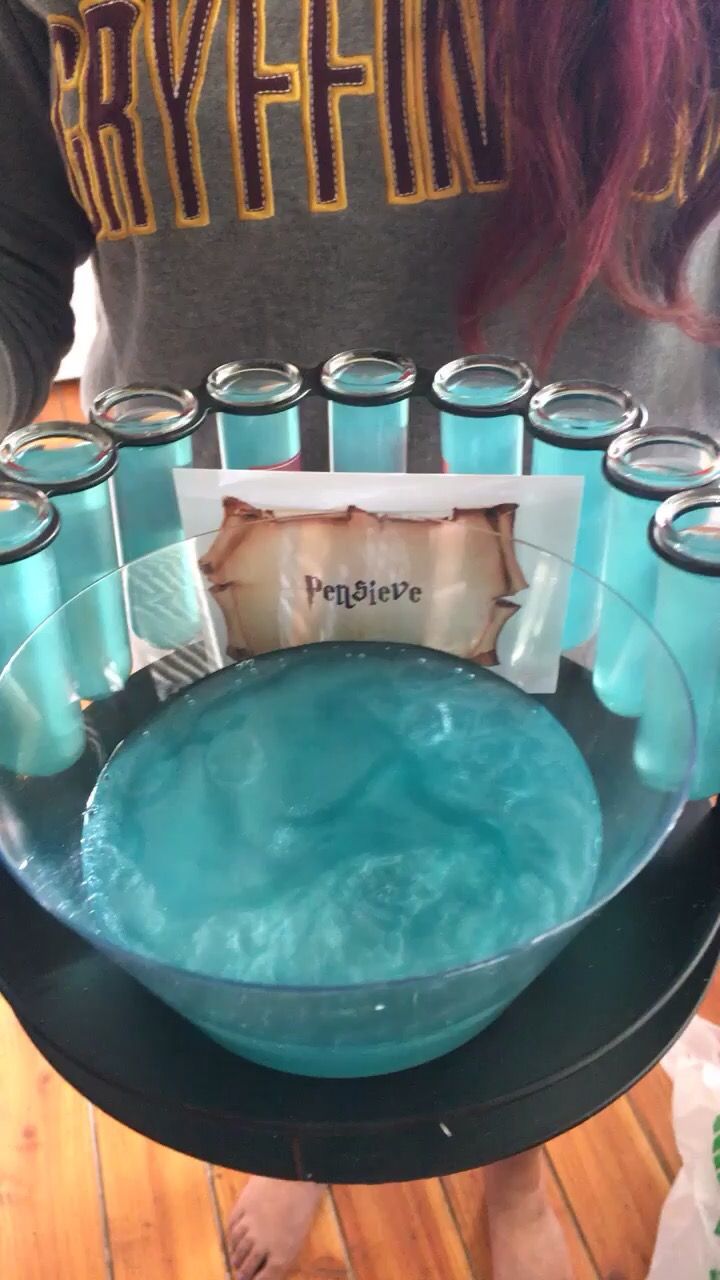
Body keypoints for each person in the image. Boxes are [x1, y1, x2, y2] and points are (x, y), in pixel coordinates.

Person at [1, 2, 719, 1278]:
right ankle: (297, 1159)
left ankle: (513, 1175)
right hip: (203, 592)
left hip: (608, 586)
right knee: (244, 923)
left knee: (532, 940)